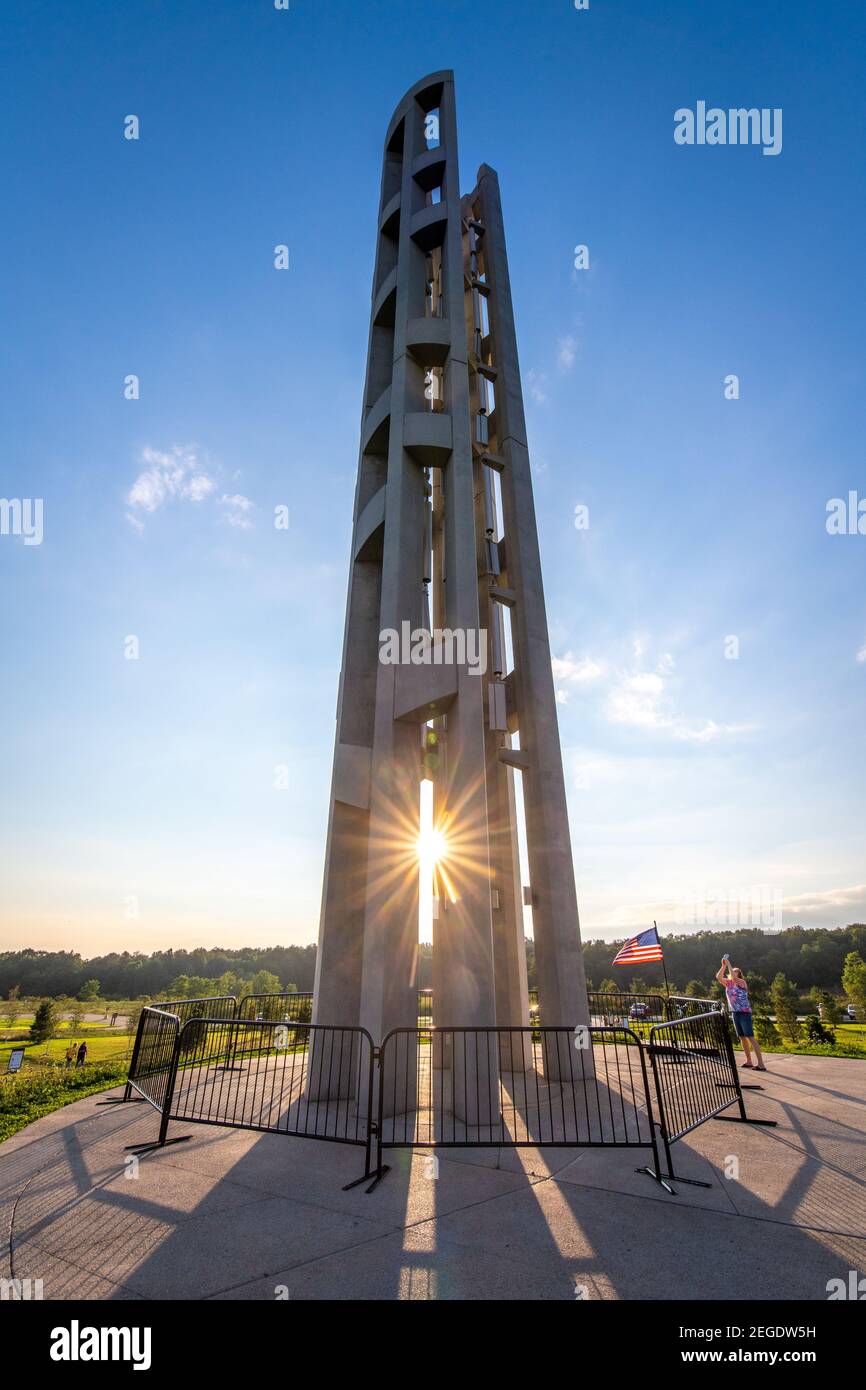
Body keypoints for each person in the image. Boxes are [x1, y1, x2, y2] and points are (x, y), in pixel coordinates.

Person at [716, 957, 766, 1071]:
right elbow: (718, 977)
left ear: (739, 974)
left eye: (735, 971)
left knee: (750, 1037)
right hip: (735, 1013)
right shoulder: (728, 983)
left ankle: (761, 1064)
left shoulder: (742, 983)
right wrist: (723, 965)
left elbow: (733, 977)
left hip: (744, 1013)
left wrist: (728, 963)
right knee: (742, 1038)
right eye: (732, 971)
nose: (733, 973)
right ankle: (749, 1061)